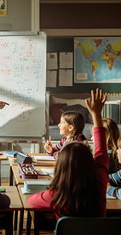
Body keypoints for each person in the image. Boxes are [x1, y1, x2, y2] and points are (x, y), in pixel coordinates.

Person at [28, 88, 109, 220]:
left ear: (61, 167)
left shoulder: (56, 195)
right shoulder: (99, 182)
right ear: (90, 161)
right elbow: (101, 152)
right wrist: (96, 114)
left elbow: (31, 201)